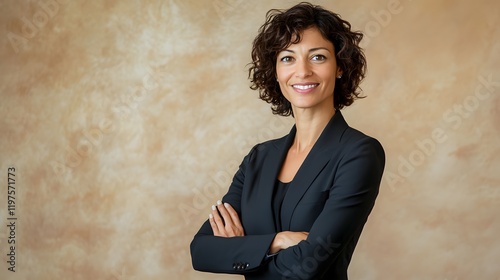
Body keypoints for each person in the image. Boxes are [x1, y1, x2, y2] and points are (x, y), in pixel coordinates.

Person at [190, 2, 385, 279]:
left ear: (340, 67)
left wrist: (242, 248)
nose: (302, 71)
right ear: (276, 72)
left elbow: (308, 266)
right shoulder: (259, 158)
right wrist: (278, 240)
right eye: (287, 58)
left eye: (317, 57)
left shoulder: (359, 153)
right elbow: (201, 250)